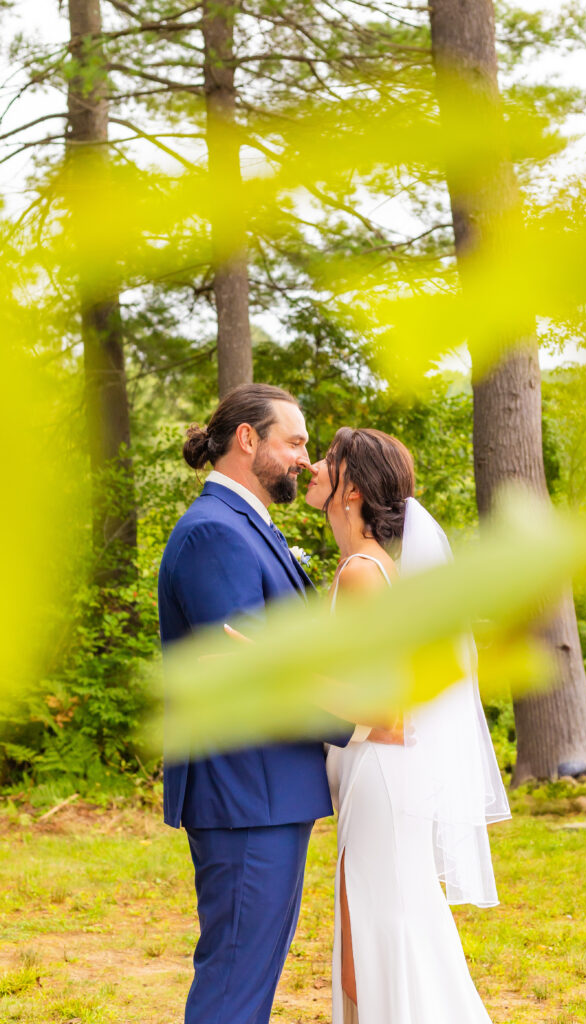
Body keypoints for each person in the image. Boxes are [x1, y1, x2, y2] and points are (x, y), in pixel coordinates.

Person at [158, 385, 394, 1024]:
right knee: (236, 980)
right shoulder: (216, 534)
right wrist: (367, 718)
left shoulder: (245, 528)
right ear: (246, 440)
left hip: (266, 794)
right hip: (245, 795)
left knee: (251, 973)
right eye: (294, 442)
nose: (303, 458)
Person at [304, 427, 511, 1024]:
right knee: (374, 943)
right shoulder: (372, 568)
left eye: (329, 460)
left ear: (352, 490)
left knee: (377, 949)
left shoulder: (364, 574)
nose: (314, 466)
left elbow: (386, 709)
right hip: (373, 776)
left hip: (381, 781)